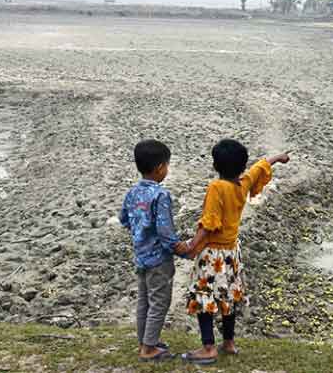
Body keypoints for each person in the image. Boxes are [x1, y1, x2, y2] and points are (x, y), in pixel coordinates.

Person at [180, 139, 291, 365]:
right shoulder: (243, 183)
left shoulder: (216, 188)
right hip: (232, 252)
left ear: (215, 166)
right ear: (241, 166)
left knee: (205, 298)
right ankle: (229, 343)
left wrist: (191, 247)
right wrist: (278, 157)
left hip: (213, 254)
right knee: (228, 297)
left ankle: (208, 347)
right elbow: (259, 167)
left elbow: (209, 223)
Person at [119, 139, 188, 362]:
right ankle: (149, 349)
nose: (167, 170)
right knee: (159, 302)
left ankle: (144, 341)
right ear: (160, 167)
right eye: (167, 165)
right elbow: (166, 231)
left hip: (141, 256)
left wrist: (141, 232)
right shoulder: (161, 195)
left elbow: (124, 220)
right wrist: (182, 249)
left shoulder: (132, 192)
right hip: (159, 260)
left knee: (144, 301)